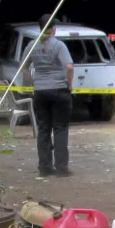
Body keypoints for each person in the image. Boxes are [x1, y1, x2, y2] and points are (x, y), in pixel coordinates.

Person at [21, 14, 74, 177]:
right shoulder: (59, 45)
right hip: (59, 90)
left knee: (43, 129)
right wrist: (69, 84)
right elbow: (69, 67)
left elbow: (23, 67)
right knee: (60, 129)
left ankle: (44, 167)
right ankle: (61, 167)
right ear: (53, 29)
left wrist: (32, 82)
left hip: (40, 91)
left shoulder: (32, 45)